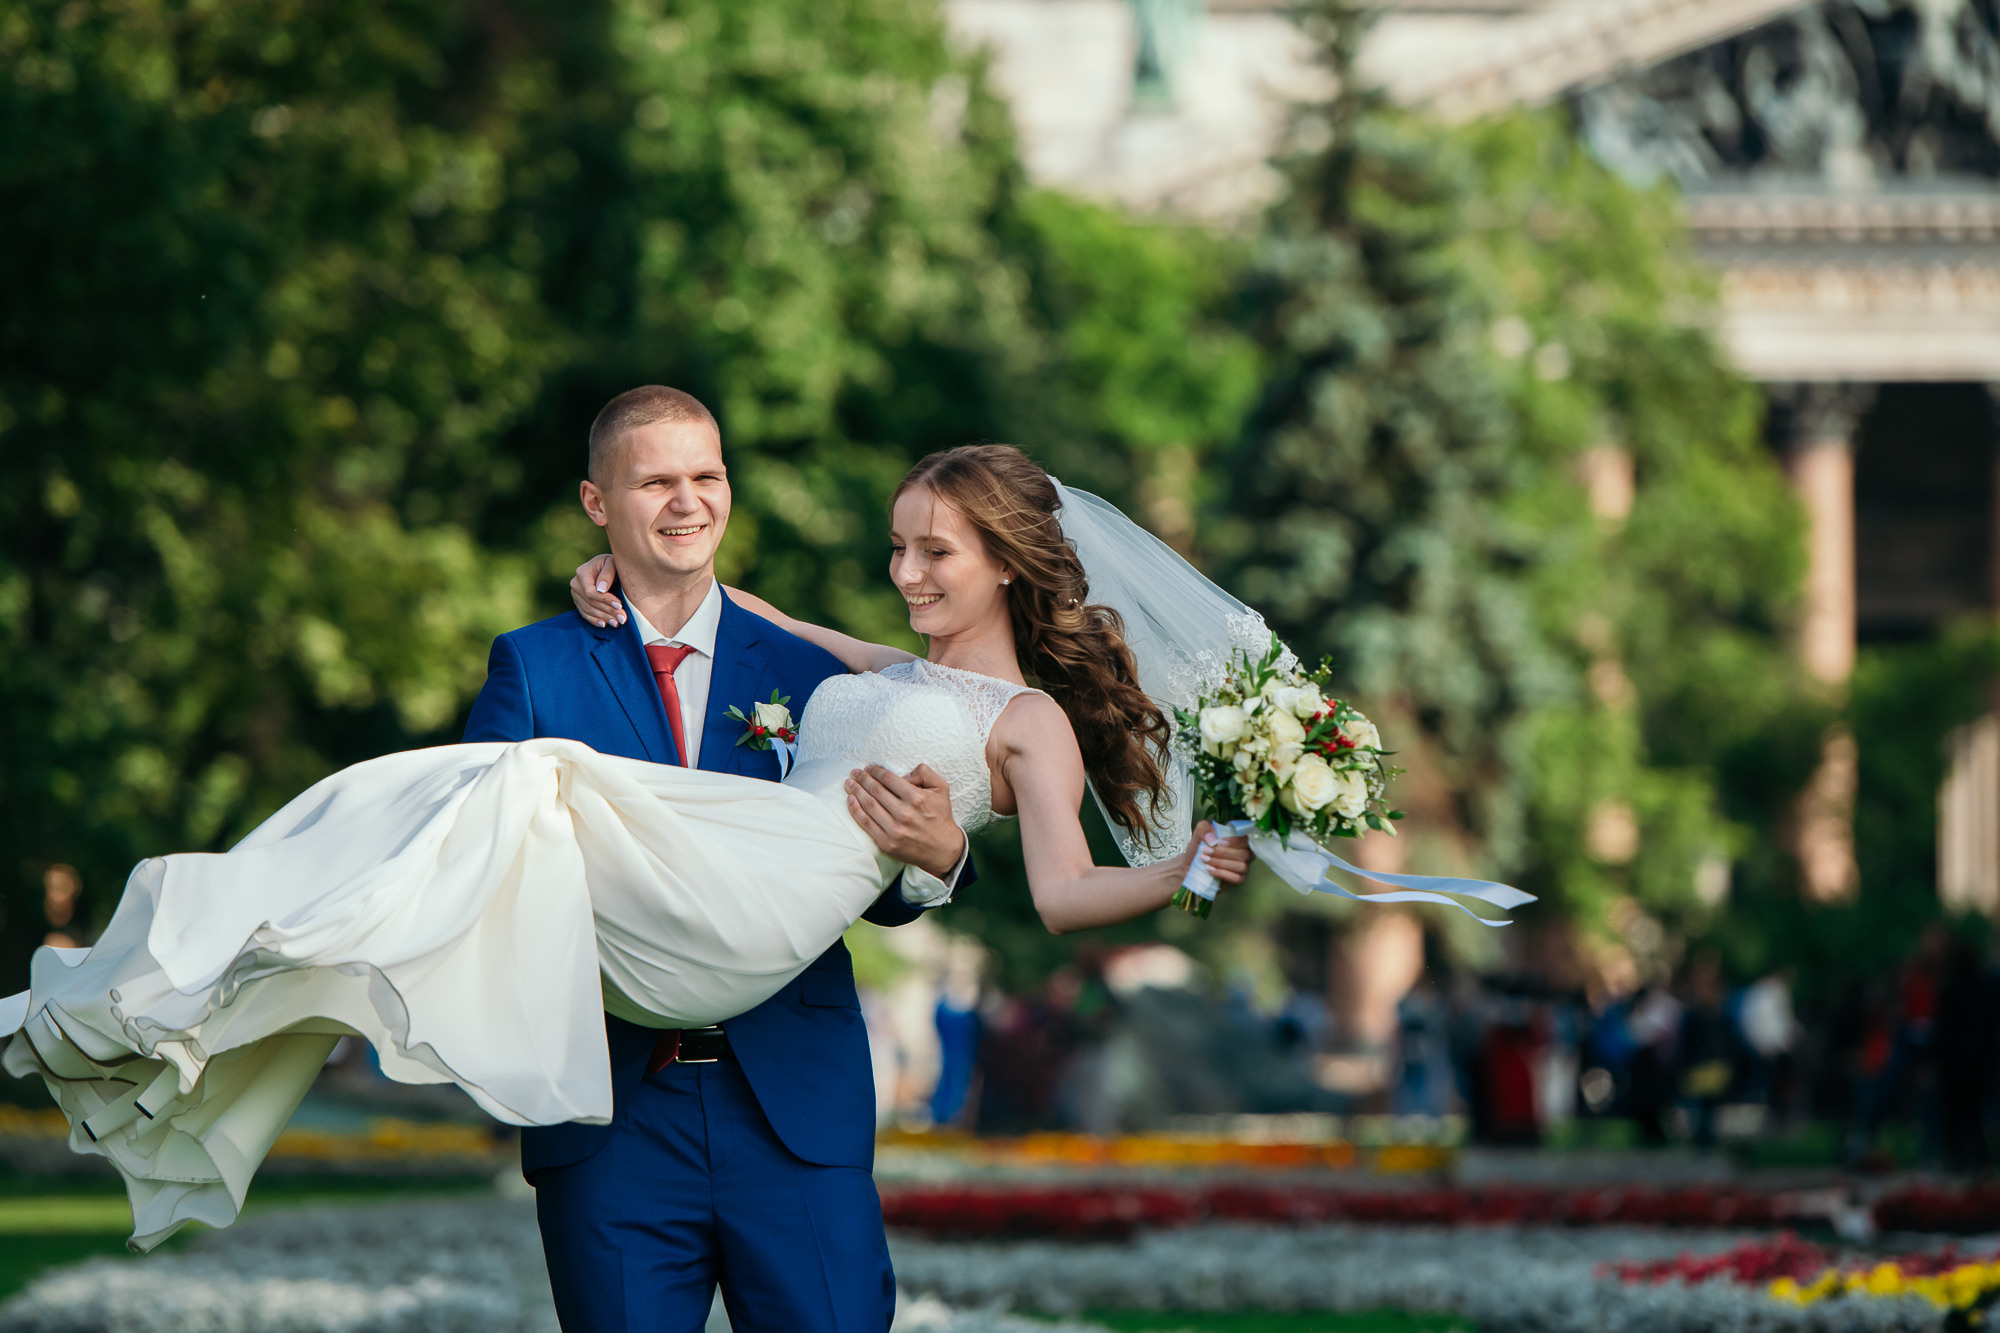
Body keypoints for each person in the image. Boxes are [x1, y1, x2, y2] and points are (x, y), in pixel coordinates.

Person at [0, 420, 1257, 1319]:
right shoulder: (801, 664)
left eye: (706, 478)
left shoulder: (924, 702)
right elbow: (751, 603)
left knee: (526, 787)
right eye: (899, 551)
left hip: (787, 1084)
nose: (908, 574)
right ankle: (206, 981)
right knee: (503, 784)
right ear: (597, 504)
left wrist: (946, 868)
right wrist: (644, 578)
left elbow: (1043, 880)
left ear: (1001, 559)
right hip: (614, 1115)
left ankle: (238, 956)